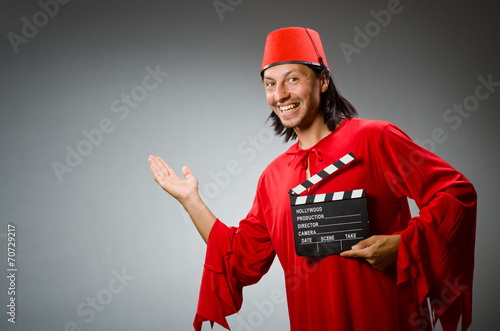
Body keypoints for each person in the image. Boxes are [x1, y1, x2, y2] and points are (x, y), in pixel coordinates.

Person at [148, 27, 477, 331]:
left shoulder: (375, 140)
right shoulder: (273, 178)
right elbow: (239, 259)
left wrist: (404, 243)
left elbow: (457, 194)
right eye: (269, 83)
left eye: (292, 79)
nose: (280, 94)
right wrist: (191, 201)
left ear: (322, 80)